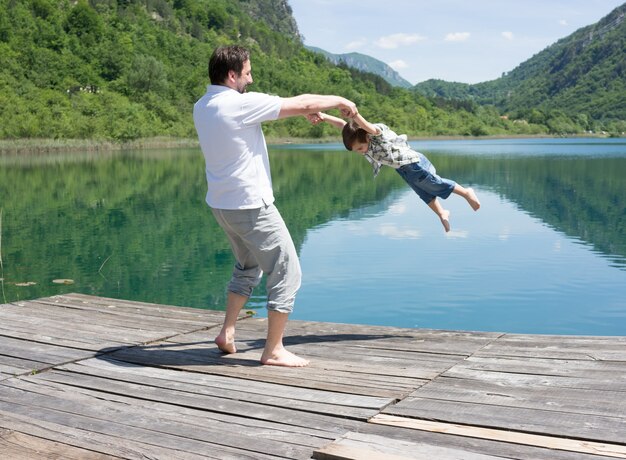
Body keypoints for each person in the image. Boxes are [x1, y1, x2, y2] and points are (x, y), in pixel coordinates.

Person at [193, 45, 358, 367]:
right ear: (232, 75)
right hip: (250, 206)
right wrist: (339, 101)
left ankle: (227, 333)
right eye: (247, 73)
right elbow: (303, 101)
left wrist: (302, 111)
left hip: (222, 205)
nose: (251, 79)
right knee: (286, 271)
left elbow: (278, 113)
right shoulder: (238, 105)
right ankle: (274, 350)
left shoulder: (203, 105)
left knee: (248, 266)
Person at [308, 112, 480, 232]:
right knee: (423, 193)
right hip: (402, 169)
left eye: (360, 147)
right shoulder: (358, 138)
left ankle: (466, 192)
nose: (360, 151)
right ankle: (442, 212)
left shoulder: (375, 135)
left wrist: (355, 115)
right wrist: (324, 117)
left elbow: (365, 125)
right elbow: (343, 125)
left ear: (366, 137)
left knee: (434, 183)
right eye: (356, 150)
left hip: (412, 163)